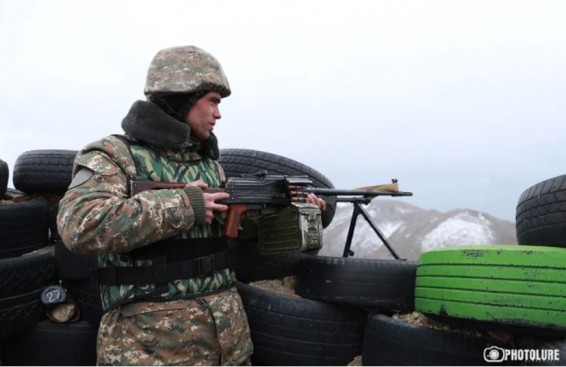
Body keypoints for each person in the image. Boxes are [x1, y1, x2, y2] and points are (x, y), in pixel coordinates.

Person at [57, 45, 325, 366]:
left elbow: (227, 231)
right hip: (150, 346)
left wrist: (292, 213)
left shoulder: (209, 164)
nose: (218, 113)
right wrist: (185, 205)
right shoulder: (114, 155)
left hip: (227, 341)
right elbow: (81, 226)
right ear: (181, 98)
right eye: (212, 101)